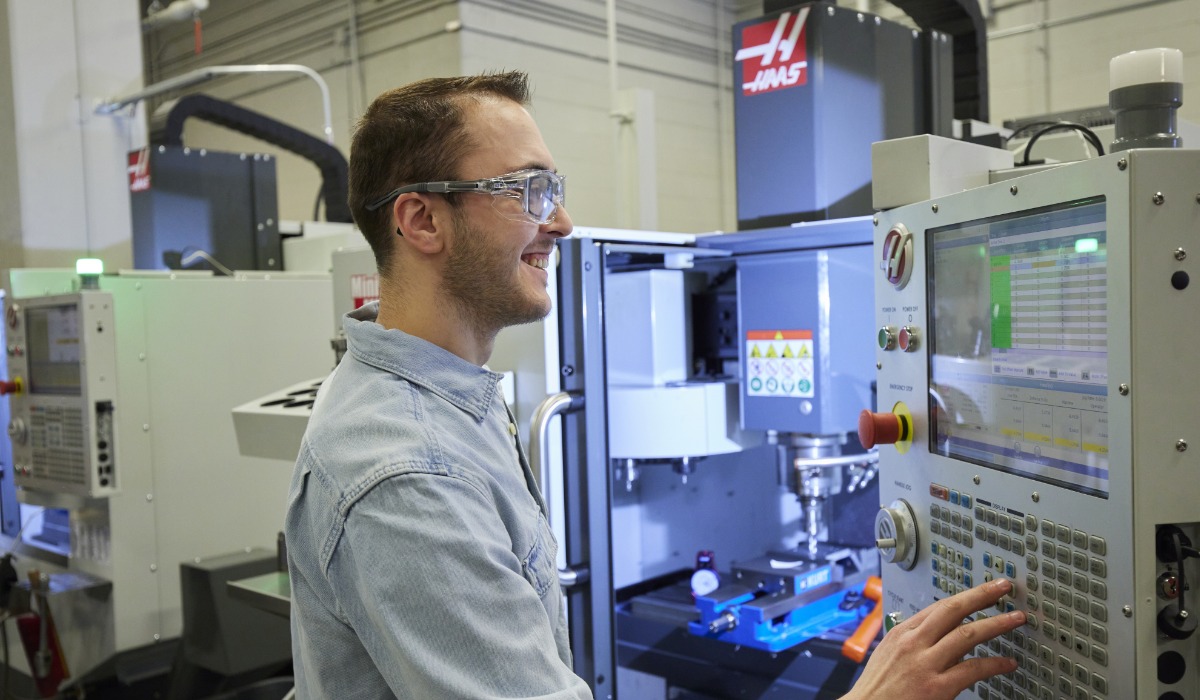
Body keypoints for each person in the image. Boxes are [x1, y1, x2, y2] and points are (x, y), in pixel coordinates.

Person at [284, 71, 1025, 699]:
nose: (565, 222)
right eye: (529, 191)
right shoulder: (408, 471)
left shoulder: (455, 405)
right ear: (421, 220)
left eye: (557, 189)